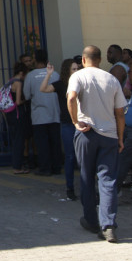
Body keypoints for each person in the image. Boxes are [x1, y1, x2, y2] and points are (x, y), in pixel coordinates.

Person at [67, 45, 126, 244]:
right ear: (100, 60)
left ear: (84, 60)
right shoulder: (112, 79)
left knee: (86, 177)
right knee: (107, 180)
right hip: (109, 135)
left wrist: (75, 121)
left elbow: (72, 97)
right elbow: (120, 113)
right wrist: (120, 138)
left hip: (86, 133)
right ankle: (108, 226)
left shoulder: (78, 77)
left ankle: (91, 220)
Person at [41, 56, 82, 200]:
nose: (76, 71)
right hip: (67, 124)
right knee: (70, 157)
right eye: (74, 69)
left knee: (83, 158)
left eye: (78, 68)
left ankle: (86, 188)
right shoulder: (60, 85)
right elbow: (43, 89)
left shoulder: (81, 83)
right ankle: (70, 188)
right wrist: (48, 74)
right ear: (67, 70)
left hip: (82, 124)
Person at [22, 49, 62, 177]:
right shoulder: (55, 74)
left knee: (42, 143)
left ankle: (45, 168)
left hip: (39, 115)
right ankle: (56, 166)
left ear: (35, 59)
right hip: (55, 113)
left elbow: (26, 95)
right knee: (55, 142)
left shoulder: (31, 75)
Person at [4, 61, 30, 174]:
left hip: (10, 114)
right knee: (19, 141)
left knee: (15, 140)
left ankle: (16, 165)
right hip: (17, 114)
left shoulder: (10, 81)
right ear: (21, 73)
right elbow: (18, 101)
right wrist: (27, 100)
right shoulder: (18, 83)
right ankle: (17, 166)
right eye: (24, 74)